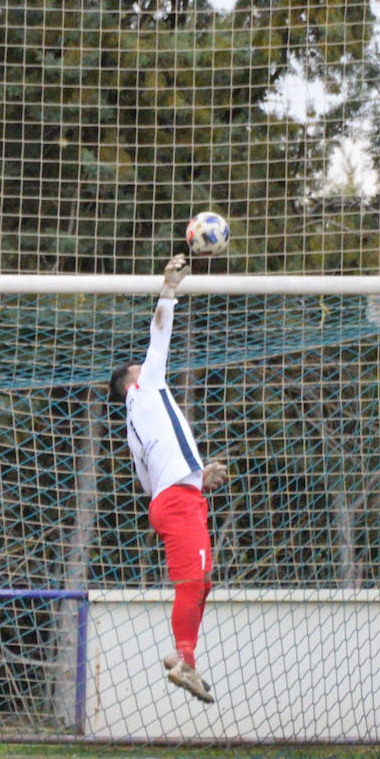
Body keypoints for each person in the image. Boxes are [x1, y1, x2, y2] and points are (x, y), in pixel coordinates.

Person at [108, 254, 228, 704]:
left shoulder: (133, 426)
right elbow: (160, 334)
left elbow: (147, 482)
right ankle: (183, 658)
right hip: (177, 502)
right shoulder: (146, 386)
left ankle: (185, 657)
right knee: (193, 582)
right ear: (130, 382)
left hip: (171, 498)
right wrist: (169, 289)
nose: (146, 366)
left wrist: (198, 476)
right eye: (139, 367)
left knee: (202, 580)